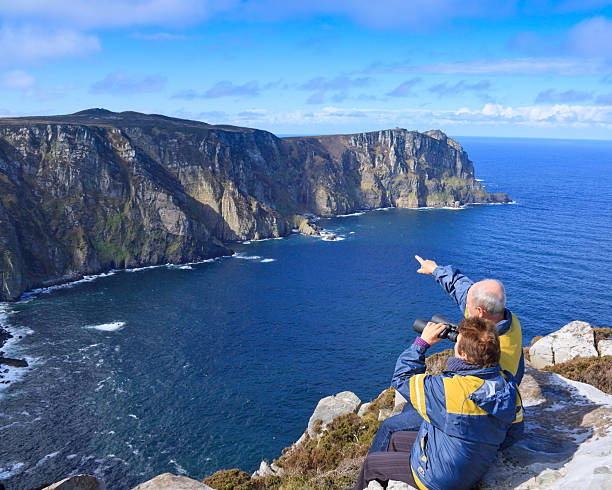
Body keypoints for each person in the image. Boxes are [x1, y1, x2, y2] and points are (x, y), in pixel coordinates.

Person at [367, 256, 524, 453]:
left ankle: (372, 480)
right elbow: (462, 287)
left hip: (474, 409)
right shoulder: (502, 319)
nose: (464, 306)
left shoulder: (496, 353)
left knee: (389, 427)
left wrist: (422, 343)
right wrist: (434, 269)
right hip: (480, 391)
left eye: (468, 307)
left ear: (480, 312)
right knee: (410, 406)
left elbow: (460, 393)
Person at [354, 318, 523, 490]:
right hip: (472, 466)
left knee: (372, 463)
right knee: (396, 440)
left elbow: (402, 378)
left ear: (464, 355)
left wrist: (422, 342)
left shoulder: (450, 390)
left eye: (457, 344)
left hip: (440, 480)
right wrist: (479, 449)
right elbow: (513, 434)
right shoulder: (508, 387)